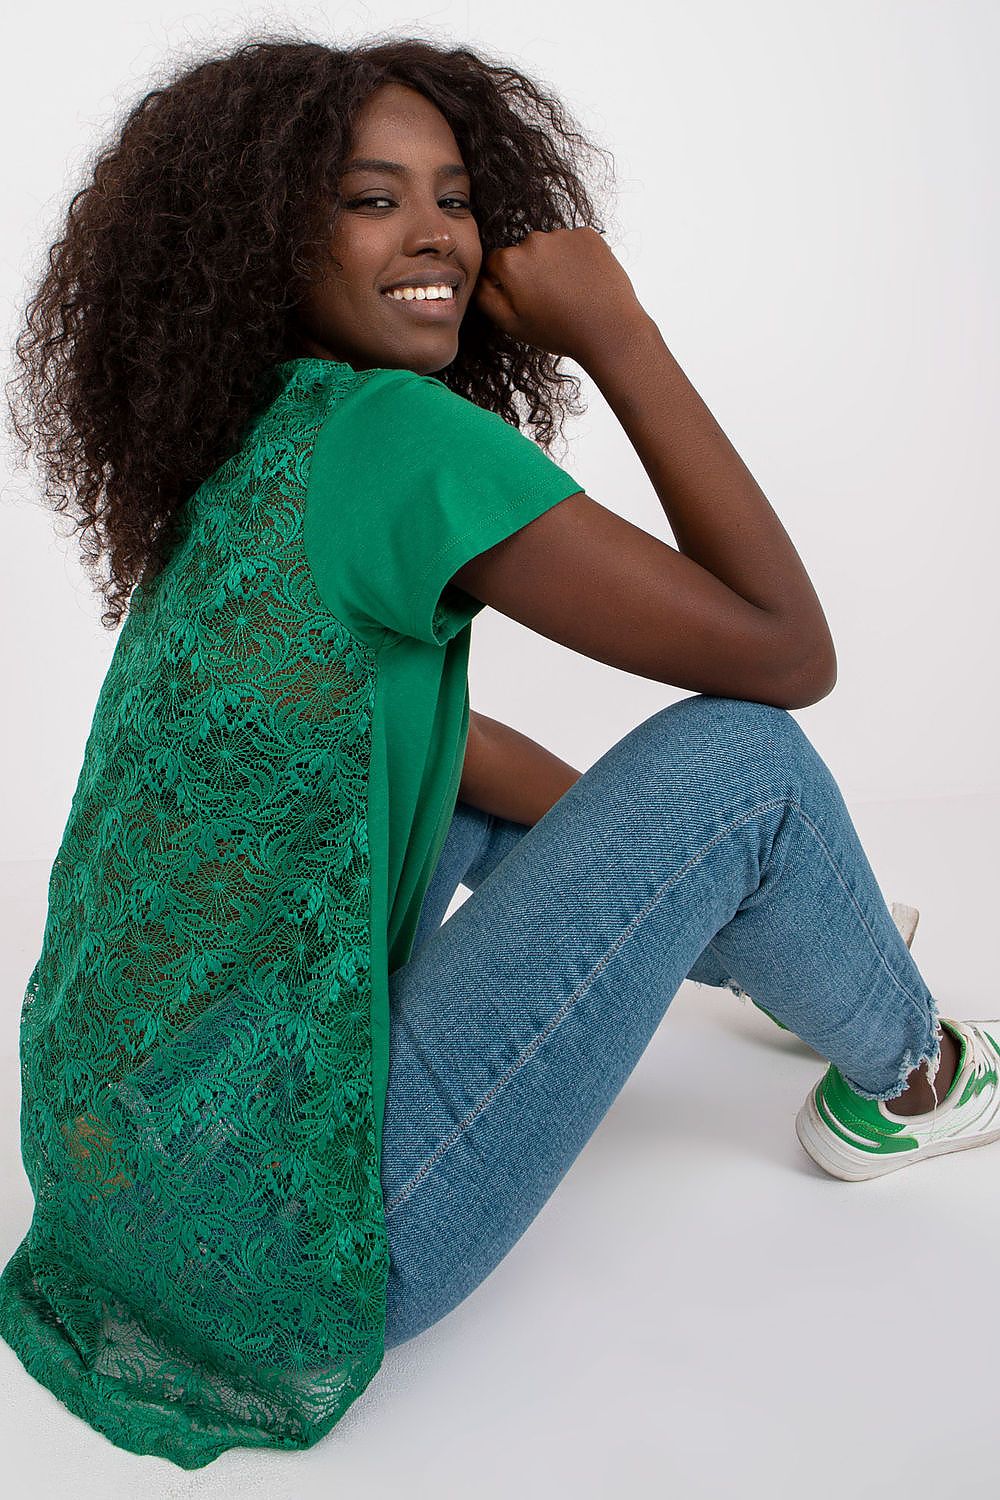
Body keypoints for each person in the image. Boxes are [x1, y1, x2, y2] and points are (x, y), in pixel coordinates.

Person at [1, 32, 996, 1472]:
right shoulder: (396, 437)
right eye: (371, 199)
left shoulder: (254, 439)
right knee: (745, 765)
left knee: (513, 793)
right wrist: (620, 332)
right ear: (270, 239)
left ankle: (786, 926)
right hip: (317, 1252)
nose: (437, 235)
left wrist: (671, 883)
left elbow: (432, 750)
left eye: (456, 197)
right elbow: (788, 655)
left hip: (123, 1198)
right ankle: (917, 1075)